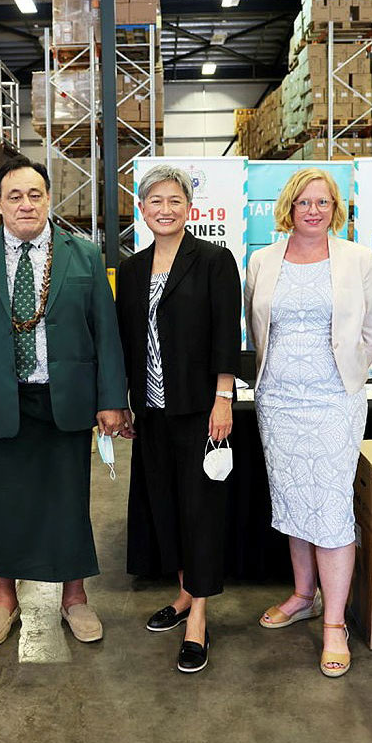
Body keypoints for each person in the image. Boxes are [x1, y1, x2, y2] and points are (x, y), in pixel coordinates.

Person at [0, 155, 129, 648]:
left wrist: (112, 400)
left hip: (66, 399)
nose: (26, 204)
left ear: (48, 200)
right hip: (2, 399)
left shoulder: (82, 255)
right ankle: (4, 598)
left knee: (70, 500)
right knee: (4, 503)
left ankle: (74, 597)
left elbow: (106, 334)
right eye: (14, 196)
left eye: (35, 195)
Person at [245, 167, 372, 678]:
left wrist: (350, 367)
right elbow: (257, 324)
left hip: (334, 400)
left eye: (322, 202)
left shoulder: (357, 259)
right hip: (278, 399)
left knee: (328, 505)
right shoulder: (263, 261)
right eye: (303, 202)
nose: (312, 210)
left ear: (335, 209)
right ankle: (303, 594)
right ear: (289, 206)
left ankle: (334, 623)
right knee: (293, 497)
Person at [116, 165, 240, 673]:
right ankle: (185, 592)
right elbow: (126, 342)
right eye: (154, 201)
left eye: (174, 200)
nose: (164, 209)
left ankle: (199, 619)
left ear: (189, 208)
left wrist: (223, 397)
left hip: (199, 408)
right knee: (165, 504)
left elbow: (224, 332)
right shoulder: (129, 268)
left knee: (200, 509)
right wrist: (123, 399)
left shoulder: (213, 260)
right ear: (141, 210)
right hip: (150, 408)